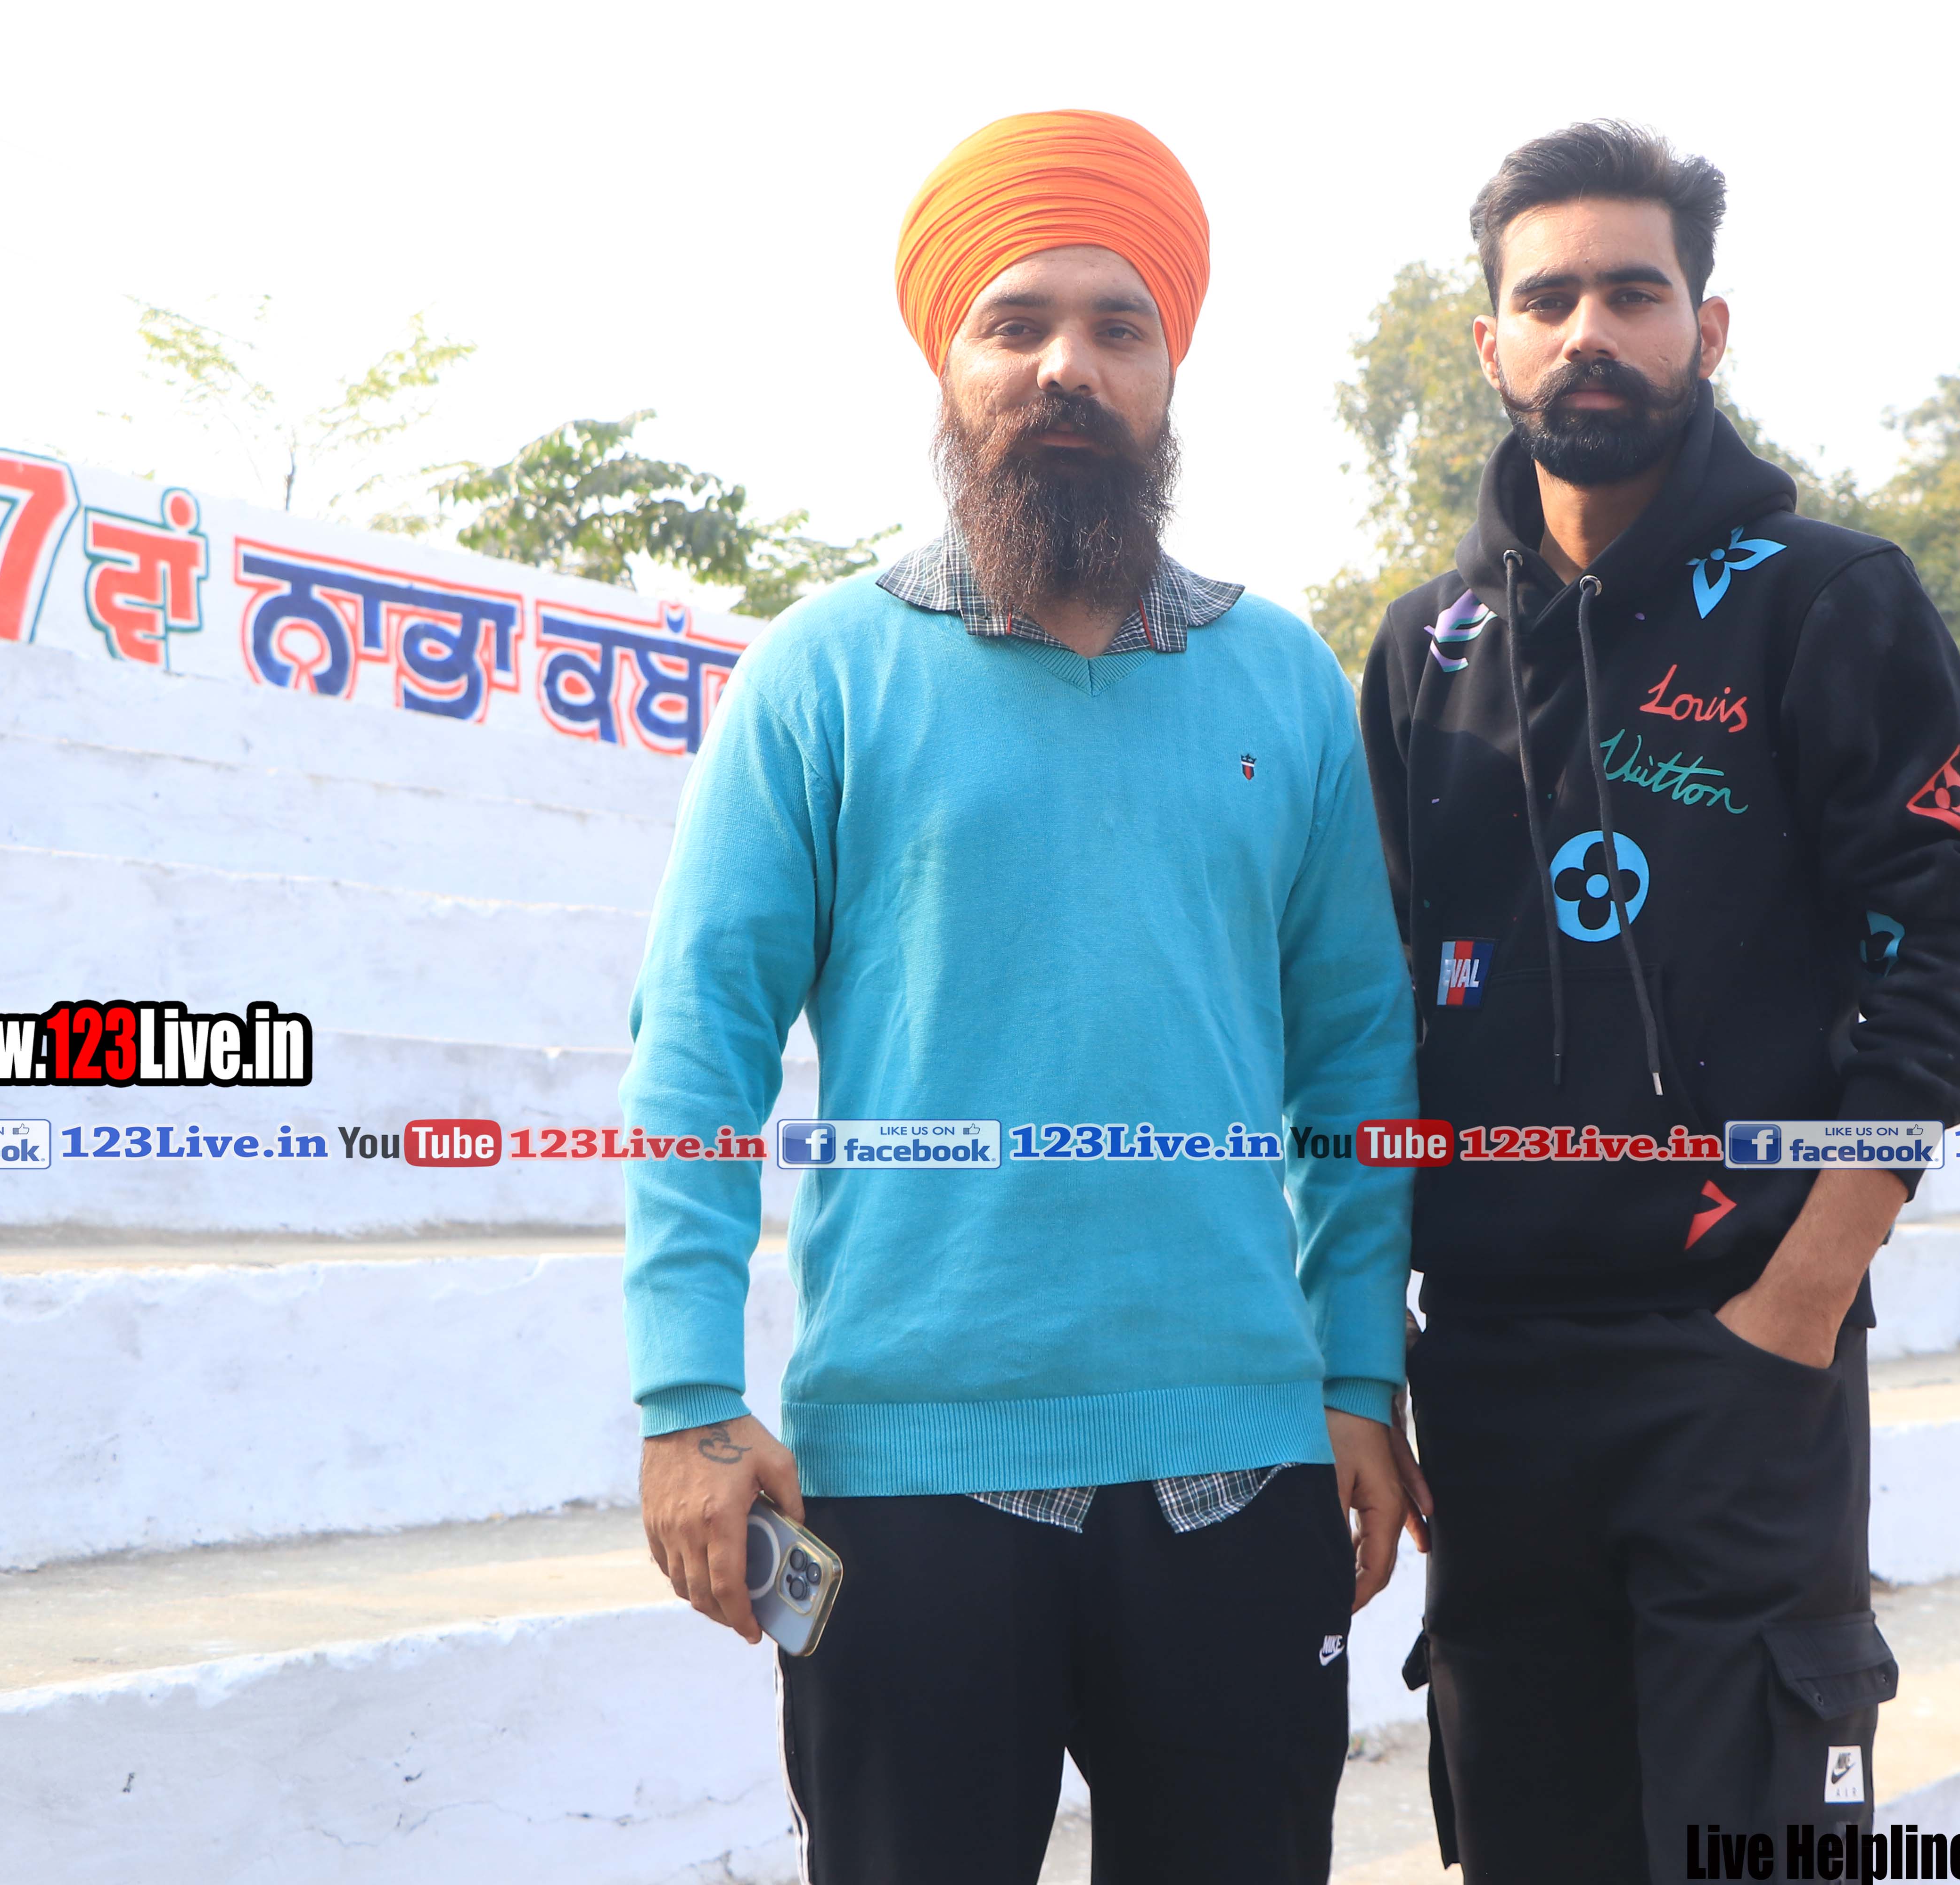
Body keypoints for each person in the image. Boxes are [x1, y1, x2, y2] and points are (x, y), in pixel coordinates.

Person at [619, 109, 1420, 1885]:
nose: (1069, 364)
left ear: (1170, 371)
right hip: (904, 1484)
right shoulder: (823, 675)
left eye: (1119, 326)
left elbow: (1361, 1064)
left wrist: (1362, 1372)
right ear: (948, 365)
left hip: (1242, 1467)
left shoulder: (1282, 678)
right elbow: (697, 1049)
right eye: (1018, 323)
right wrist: (686, 1397)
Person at [1359, 121, 1960, 1877]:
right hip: (1488, 1370)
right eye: (1548, 298)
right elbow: (1368, 1015)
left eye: (1633, 294)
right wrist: (1371, 1360)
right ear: (1490, 342)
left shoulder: (1829, 600)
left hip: (1741, 1349)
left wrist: (1799, 1301)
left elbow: (1942, 953)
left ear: (1705, 330)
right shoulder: (1424, 648)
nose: (1590, 330)